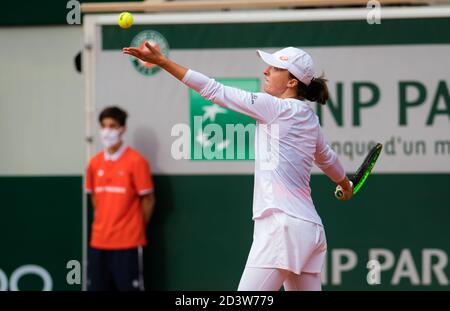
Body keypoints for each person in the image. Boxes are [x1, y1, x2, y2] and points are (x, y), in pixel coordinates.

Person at [122, 43, 352, 291]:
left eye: (275, 68)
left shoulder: (275, 108)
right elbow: (326, 158)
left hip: (281, 227)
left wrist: (163, 62)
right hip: (310, 231)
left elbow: (213, 90)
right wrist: (344, 183)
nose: (266, 71)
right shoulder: (309, 118)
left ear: (292, 82)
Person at [85, 106, 156, 291]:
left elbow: (148, 200)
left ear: (122, 129)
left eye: (112, 125)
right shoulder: (94, 163)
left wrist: (134, 228)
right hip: (98, 242)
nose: (107, 131)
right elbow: (94, 199)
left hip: (127, 244)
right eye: (103, 126)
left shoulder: (136, 161)